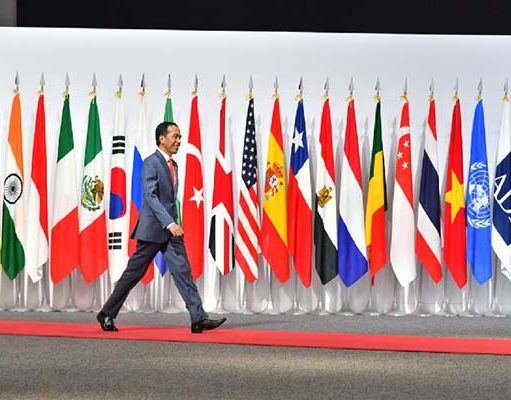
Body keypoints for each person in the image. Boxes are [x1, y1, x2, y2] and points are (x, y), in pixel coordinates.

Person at [97, 122, 226, 334]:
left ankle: (198, 318)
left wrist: (173, 223)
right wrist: (170, 223)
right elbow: (151, 196)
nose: (179, 141)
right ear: (162, 139)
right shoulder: (151, 163)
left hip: (170, 232)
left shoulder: (174, 165)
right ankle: (106, 313)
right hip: (152, 230)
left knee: (183, 272)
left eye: (180, 137)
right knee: (133, 274)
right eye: (175, 136)